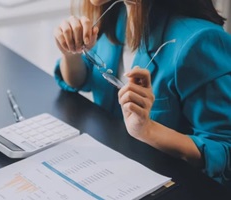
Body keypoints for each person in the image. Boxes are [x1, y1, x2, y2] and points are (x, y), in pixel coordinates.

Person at [54, 0, 231, 187]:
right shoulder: (119, 16)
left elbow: (224, 150)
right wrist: (70, 53)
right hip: (112, 172)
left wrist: (148, 130)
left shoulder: (200, 41)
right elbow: (82, 78)